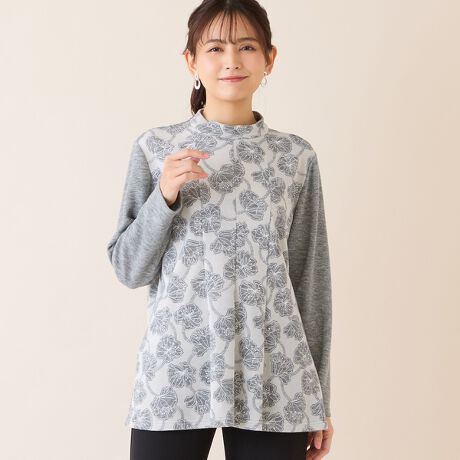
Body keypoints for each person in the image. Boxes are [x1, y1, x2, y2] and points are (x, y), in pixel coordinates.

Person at [106, 1, 334, 459]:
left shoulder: (295, 158)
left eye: (246, 47)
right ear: (191, 61)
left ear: (269, 59)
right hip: (176, 372)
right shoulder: (156, 149)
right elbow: (129, 269)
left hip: (276, 376)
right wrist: (164, 197)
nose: (231, 60)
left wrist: (319, 399)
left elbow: (310, 283)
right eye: (215, 48)